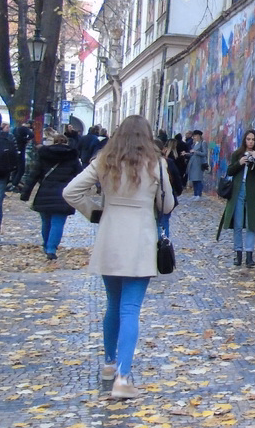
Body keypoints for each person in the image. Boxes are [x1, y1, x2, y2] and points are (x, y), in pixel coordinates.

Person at [64, 114, 175, 399]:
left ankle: (109, 365)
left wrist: (95, 211)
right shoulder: (156, 164)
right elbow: (167, 204)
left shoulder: (106, 160)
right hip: (140, 240)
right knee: (130, 309)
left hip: (111, 238)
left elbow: (71, 191)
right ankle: (123, 378)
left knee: (113, 304)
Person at [19, 132, 83, 260]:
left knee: (46, 221)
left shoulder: (44, 155)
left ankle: (46, 244)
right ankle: (51, 248)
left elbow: (34, 174)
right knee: (58, 222)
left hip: (44, 192)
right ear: (66, 142)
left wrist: (25, 193)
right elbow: (80, 177)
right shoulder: (72, 157)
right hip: (63, 194)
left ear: (53, 142)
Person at [216, 129, 255, 268]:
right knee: (238, 224)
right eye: (248, 139)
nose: (250, 142)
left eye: (253, 139)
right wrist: (240, 162)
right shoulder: (237, 154)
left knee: (251, 224)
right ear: (244, 140)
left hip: (253, 193)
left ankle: (249, 256)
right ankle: (238, 253)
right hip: (238, 192)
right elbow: (229, 171)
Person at [156, 139, 185, 240]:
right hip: (166, 197)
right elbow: (177, 179)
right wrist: (177, 191)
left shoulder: (145, 163)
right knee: (164, 223)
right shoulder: (168, 162)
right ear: (163, 149)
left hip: (154, 199)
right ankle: (164, 245)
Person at [10, 120, 33, 191]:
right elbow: (32, 135)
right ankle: (15, 184)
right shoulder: (26, 129)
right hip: (21, 150)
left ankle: (13, 183)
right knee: (21, 169)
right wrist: (26, 140)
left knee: (15, 168)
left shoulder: (15, 129)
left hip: (14, 150)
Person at [186, 129, 207, 200]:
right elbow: (192, 153)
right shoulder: (194, 144)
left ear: (199, 136)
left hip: (199, 163)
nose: (194, 137)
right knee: (194, 179)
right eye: (193, 136)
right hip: (193, 163)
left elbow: (204, 153)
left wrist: (196, 152)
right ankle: (195, 194)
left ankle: (199, 194)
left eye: (195, 136)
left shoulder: (203, 143)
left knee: (198, 179)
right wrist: (186, 154)